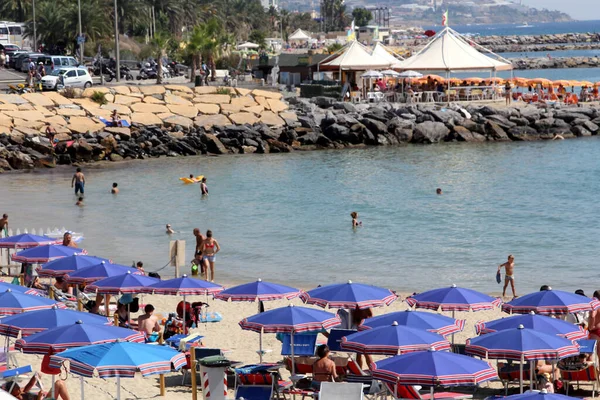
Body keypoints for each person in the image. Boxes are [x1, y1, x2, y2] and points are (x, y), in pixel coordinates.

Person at [4, 372, 70, 399]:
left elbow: (29, 385)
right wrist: (39, 397)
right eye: (16, 389)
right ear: (11, 392)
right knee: (59, 384)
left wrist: (35, 377)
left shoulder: (20, 392)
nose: (19, 389)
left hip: (44, 398)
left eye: (18, 386)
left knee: (59, 383)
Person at [587, 290, 600, 359]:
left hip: (595, 331)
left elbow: (592, 315)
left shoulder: (595, 305)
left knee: (590, 351)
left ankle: (593, 369)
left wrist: (591, 327)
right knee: (599, 352)